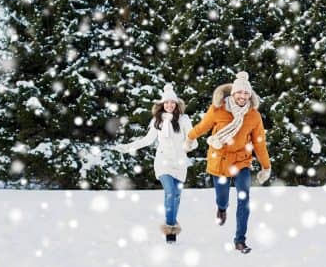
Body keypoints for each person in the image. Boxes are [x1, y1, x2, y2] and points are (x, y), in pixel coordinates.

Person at [184, 71, 271, 254]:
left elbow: (259, 143)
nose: (242, 96)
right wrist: (190, 139)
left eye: (246, 93)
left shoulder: (254, 116)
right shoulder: (218, 109)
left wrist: (266, 166)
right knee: (222, 196)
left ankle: (240, 240)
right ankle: (222, 208)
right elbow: (203, 126)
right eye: (239, 93)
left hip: (241, 161)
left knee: (244, 199)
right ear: (233, 93)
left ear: (250, 95)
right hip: (220, 160)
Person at [116, 84, 196, 244]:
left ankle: (171, 222)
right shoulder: (157, 121)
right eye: (166, 103)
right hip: (163, 162)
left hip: (180, 164)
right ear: (162, 105)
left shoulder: (184, 120)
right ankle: (170, 229)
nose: (169, 105)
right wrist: (128, 147)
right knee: (170, 193)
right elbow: (147, 140)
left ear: (176, 104)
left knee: (177, 197)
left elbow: (193, 141)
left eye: (172, 103)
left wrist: (189, 145)